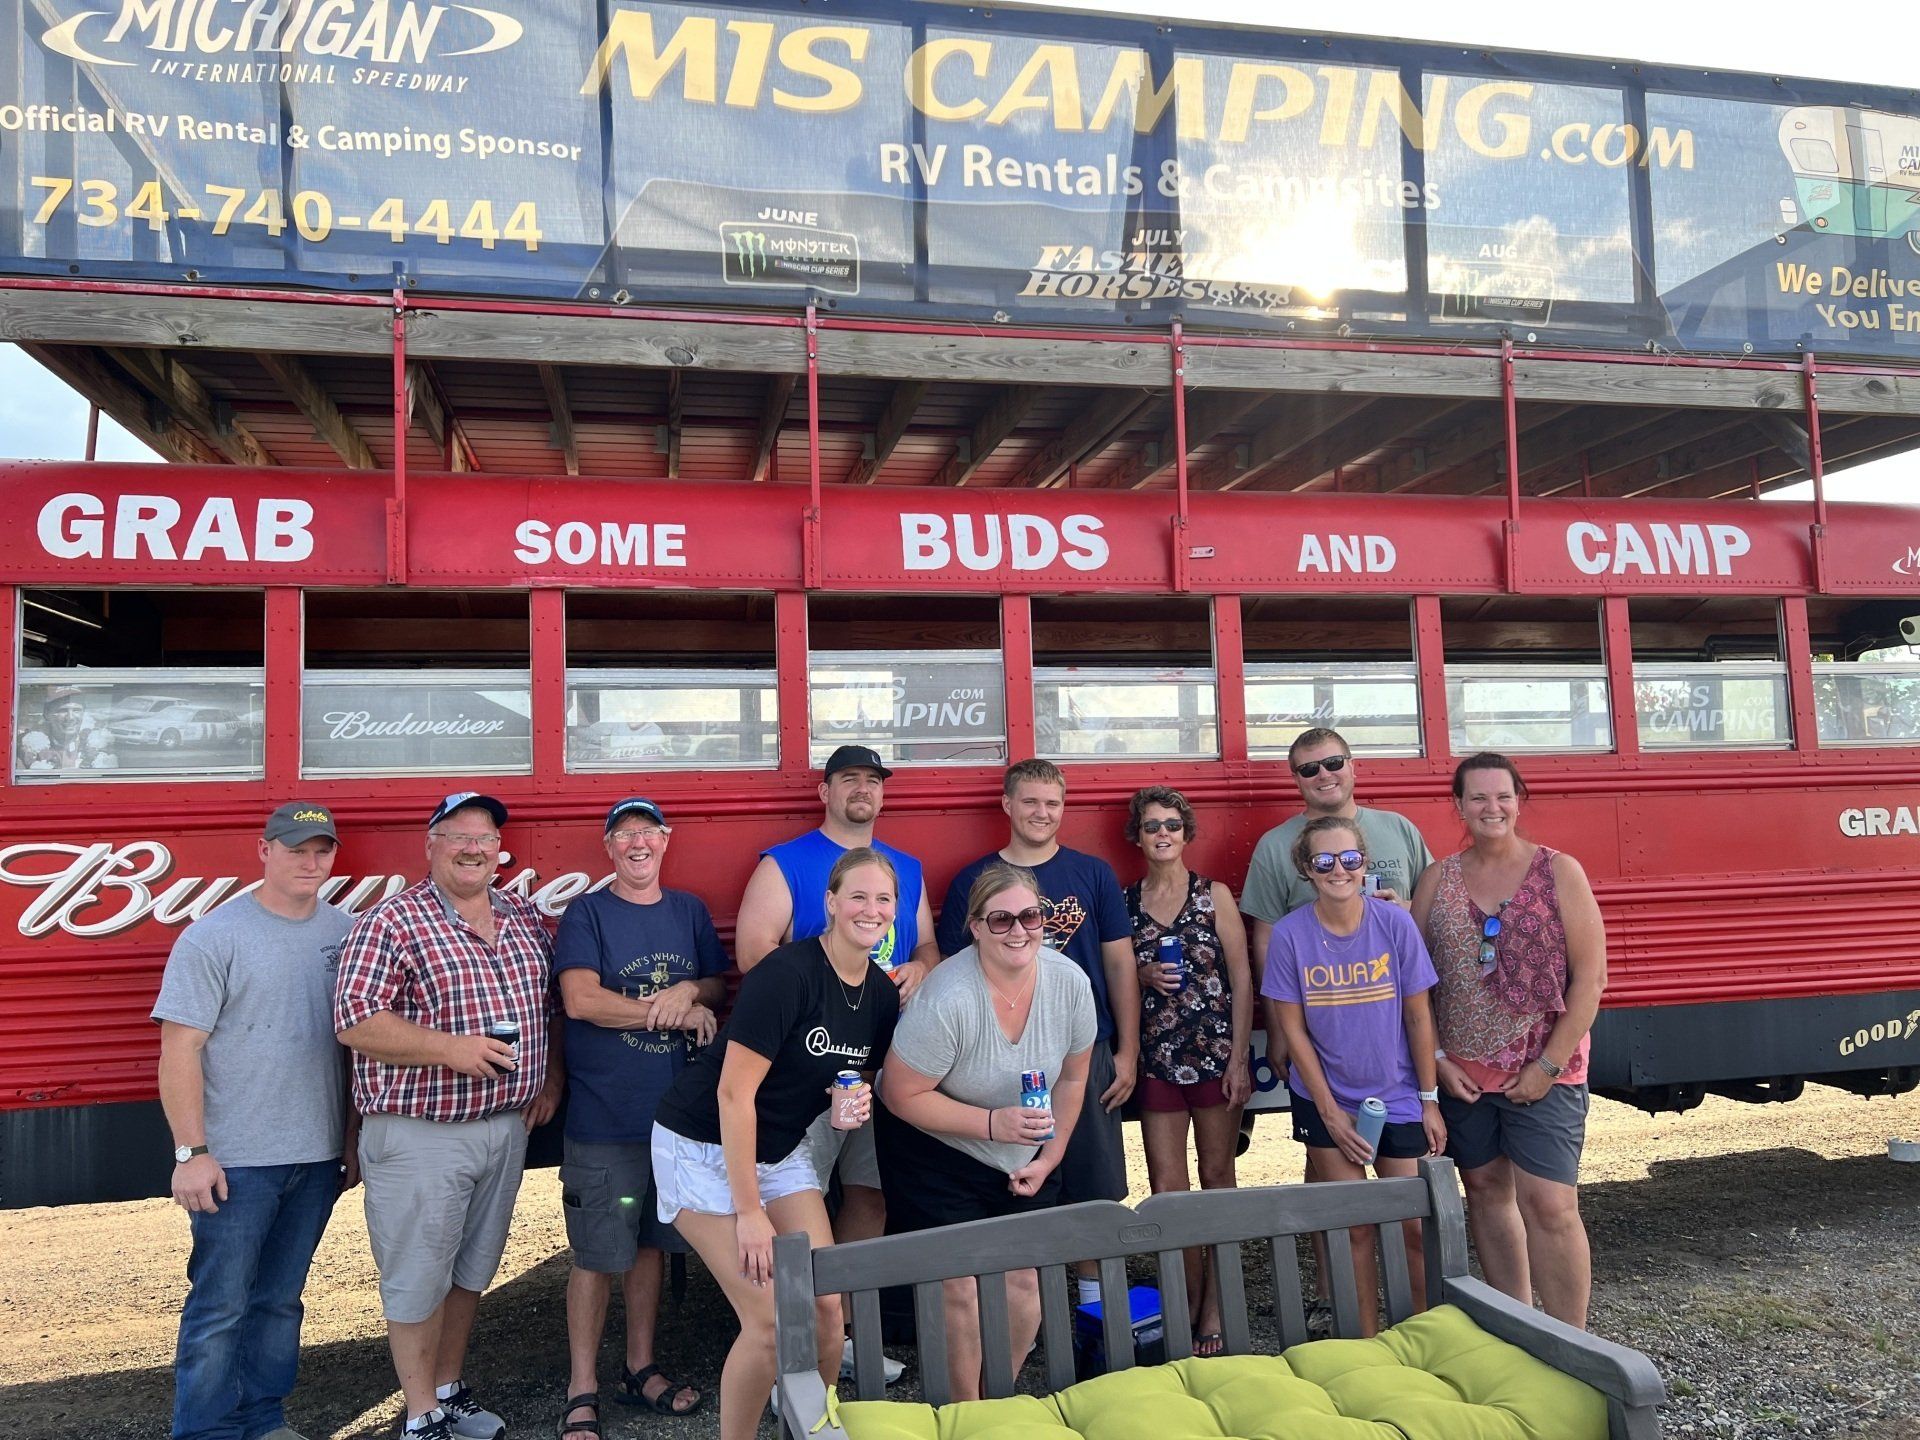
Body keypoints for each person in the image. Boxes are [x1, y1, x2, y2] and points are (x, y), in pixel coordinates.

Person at [334, 792, 565, 1440]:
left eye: (485, 837)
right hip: (420, 1134)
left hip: (502, 1128)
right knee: (417, 1277)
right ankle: (418, 1416)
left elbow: (549, 1005)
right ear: (430, 846)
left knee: (471, 1271)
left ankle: (447, 1389)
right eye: (458, 836)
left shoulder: (520, 915)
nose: (473, 847)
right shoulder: (392, 922)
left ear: (499, 851)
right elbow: (354, 1021)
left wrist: (550, 1075)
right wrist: (450, 1050)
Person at [651, 848, 902, 1440]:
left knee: (824, 1309)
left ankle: (810, 1428)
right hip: (703, 1145)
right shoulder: (786, 974)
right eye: (858, 896)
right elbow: (734, 1097)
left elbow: (853, 1077)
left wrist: (855, 1103)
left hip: (777, 1148)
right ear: (831, 903)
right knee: (767, 1320)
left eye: (884, 899)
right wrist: (749, 1213)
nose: (871, 909)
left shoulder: (882, 996)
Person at [151, 802, 354, 1440]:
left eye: (322, 850)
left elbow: (353, 1050)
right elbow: (179, 1048)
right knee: (220, 1307)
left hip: (317, 1156)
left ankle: (264, 1421)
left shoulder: (346, 932)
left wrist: (348, 1141)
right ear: (263, 851)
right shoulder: (216, 935)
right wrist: (192, 1152)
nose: (310, 861)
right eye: (296, 848)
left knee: (279, 1303)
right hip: (235, 1161)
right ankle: (205, 1431)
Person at [733, 743, 935, 1382]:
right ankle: (802, 1334)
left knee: (870, 1193)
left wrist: (919, 969)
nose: (863, 791)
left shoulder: (904, 866)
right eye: (849, 779)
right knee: (804, 1197)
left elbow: (927, 943)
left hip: (879, 1061)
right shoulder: (785, 862)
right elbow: (753, 953)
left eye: (873, 781)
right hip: (809, 1069)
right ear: (825, 791)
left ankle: (838, 1333)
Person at [1239, 726, 1434, 1331]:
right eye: (1308, 768)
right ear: (1306, 866)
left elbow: (1419, 990)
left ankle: (1426, 1328)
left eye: (1334, 763)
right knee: (1347, 1218)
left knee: (1409, 1220)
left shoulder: (1399, 832)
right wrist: (1283, 1045)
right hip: (1327, 1073)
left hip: (1396, 1078)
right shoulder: (1281, 872)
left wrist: (1429, 1090)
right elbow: (1270, 950)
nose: (1324, 775)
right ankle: (1361, 1332)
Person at [877, 863, 1095, 1400]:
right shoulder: (948, 997)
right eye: (1001, 920)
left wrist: (1050, 1155)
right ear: (974, 926)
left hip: (1022, 1148)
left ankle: (998, 1396)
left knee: (1026, 1279)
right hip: (935, 1146)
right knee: (960, 1285)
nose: (1018, 931)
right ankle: (966, 1411)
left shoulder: (1069, 983)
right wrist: (994, 1123)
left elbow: (1073, 1077)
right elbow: (900, 1094)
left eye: (1030, 916)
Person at [1410, 753, 1606, 1330]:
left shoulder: (1558, 871)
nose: (1491, 808)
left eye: (1502, 796)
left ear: (1519, 800)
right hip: (1464, 1077)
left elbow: (1590, 977)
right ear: (1459, 806)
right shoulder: (1437, 878)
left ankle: (1573, 1340)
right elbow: (1415, 980)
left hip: (1544, 1069)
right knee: (1487, 1192)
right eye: (1477, 798)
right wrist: (1439, 1061)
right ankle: (1520, 1328)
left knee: (1550, 1205)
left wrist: (1547, 1065)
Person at [554, 798, 728, 1440]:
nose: (637, 844)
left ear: (665, 841)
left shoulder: (688, 911)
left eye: (648, 833)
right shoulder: (588, 912)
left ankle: (639, 1367)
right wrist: (677, 1012)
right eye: (624, 834)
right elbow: (581, 1000)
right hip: (607, 1117)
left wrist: (690, 992)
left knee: (652, 1246)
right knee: (598, 1254)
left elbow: (716, 983)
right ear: (608, 848)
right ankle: (581, 1387)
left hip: (676, 1121)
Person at [937, 758, 1136, 1307]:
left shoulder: (1092, 874)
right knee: (1019, 1174)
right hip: (1002, 1056)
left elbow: (1119, 966)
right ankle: (1030, 1303)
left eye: (1052, 803)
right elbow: (957, 976)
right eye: (1030, 801)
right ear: (1007, 805)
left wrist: (1127, 1049)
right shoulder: (974, 881)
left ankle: (1096, 1306)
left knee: (1091, 1179)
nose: (1041, 813)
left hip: (1082, 1050)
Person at [1124, 786, 1252, 1356]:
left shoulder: (1213, 895)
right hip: (1157, 1059)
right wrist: (1142, 974)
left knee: (1219, 1180)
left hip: (1214, 1055)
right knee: (1168, 1191)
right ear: (1139, 836)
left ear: (1186, 832)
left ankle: (1219, 1309)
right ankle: (1189, 1300)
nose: (1163, 834)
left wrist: (1241, 1057)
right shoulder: (1125, 902)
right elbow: (1114, 977)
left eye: (1172, 825)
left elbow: (1243, 978)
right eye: (1152, 826)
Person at [16, 683, 115, 772]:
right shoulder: (27, 747)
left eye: (76, 710)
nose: (70, 717)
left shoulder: (101, 744)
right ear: (47, 714)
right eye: (62, 710)